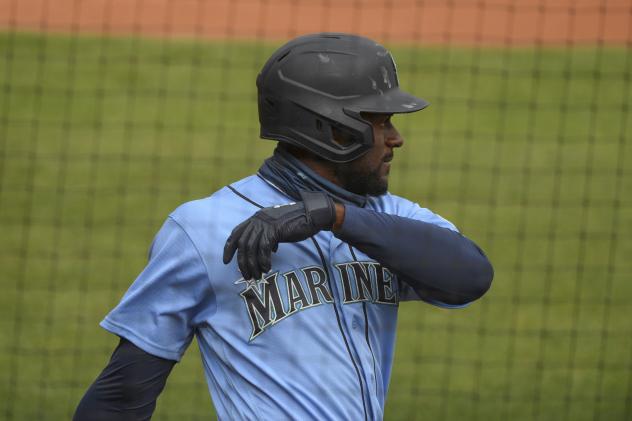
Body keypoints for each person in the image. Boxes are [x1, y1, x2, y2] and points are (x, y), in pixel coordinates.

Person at [73, 33, 493, 421]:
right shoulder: (203, 229)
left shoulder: (388, 218)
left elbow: (470, 275)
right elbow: (123, 394)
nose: (395, 138)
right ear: (333, 130)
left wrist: (336, 216)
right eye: (381, 121)